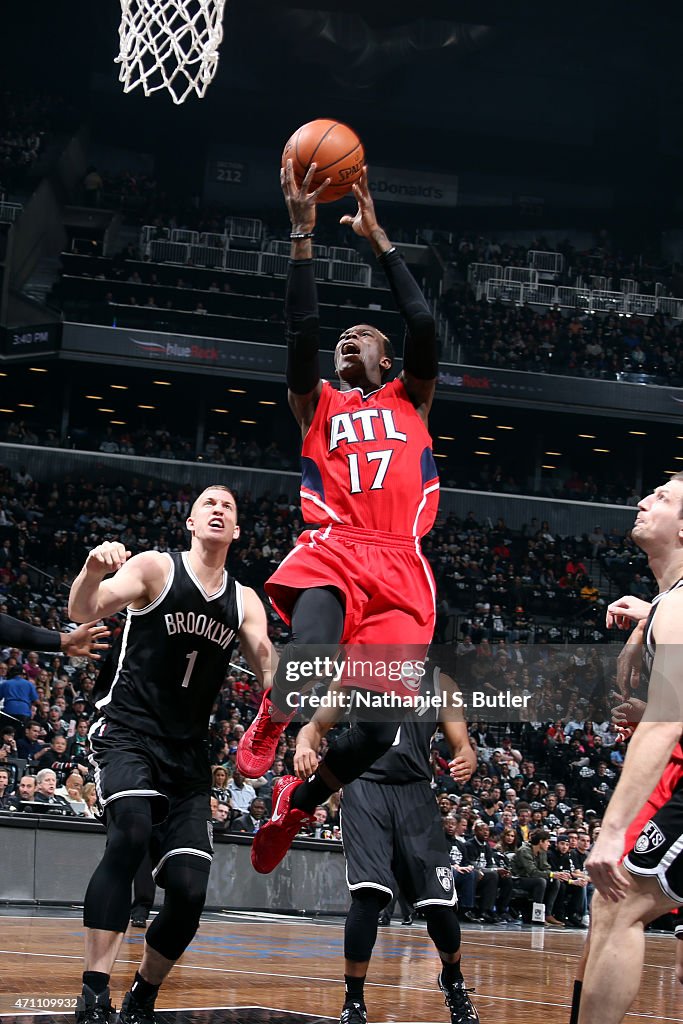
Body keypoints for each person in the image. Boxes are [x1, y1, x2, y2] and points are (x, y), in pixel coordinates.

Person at [238, 163, 439, 875]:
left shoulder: (408, 401)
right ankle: (273, 715)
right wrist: (301, 235)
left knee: (378, 730)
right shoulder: (315, 404)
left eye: (363, 335)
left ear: (388, 360)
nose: (348, 340)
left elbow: (420, 322)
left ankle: (297, 803)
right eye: (343, 337)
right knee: (315, 651)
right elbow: (301, 327)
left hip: (400, 563)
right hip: (332, 547)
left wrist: (379, 240)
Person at [67, 485, 274, 1024]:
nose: (220, 509)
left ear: (236, 531)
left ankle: (143, 995)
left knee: (188, 890)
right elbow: (81, 609)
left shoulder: (245, 600)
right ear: (190, 520)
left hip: (188, 754)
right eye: (210, 502)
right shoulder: (156, 569)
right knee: (131, 831)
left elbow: (273, 671)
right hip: (129, 729)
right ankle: (93, 993)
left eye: (230, 506)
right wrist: (92, 570)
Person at [293, 667, 478, 1024]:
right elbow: (315, 727)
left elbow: (461, 744)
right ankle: (354, 1001)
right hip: (364, 786)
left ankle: (453, 979)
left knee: (440, 907)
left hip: (416, 793)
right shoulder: (356, 674)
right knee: (368, 895)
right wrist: (303, 745)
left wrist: (467, 756)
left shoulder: (442, 682)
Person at [578, 474, 683, 1024]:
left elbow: (667, 724)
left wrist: (613, 832)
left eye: (663, 498)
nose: (643, 500)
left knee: (617, 903)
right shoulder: (668, 604)